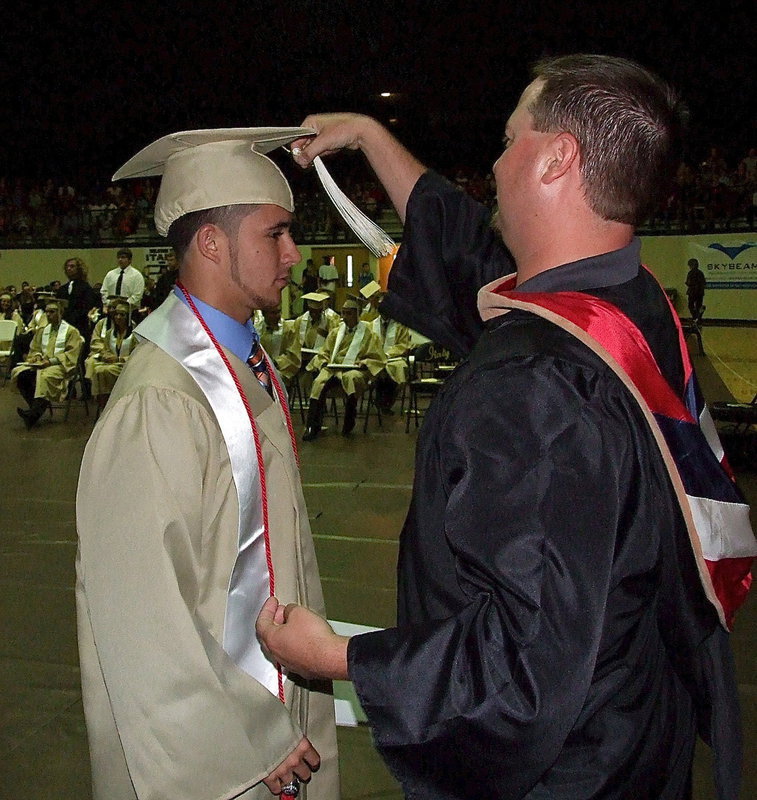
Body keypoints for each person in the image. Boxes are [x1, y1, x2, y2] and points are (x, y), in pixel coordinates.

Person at [258, 55, 756, 799]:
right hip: (639, 718)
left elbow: (522, 663)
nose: (492, 165)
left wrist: (339, 658)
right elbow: (474, 269)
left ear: (556, 157)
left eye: (507, 137)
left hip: (574, 768)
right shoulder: (628, 303)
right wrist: (367, 136)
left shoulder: (536, 387)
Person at [76, 128, 339, 800]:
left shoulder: (245, 364)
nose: (293, 254)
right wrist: (250, 733)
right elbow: (139, 614)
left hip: (276, 713)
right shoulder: (161, 399)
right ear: (213, 244)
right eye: (274, 235)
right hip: (223, 749)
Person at [302, 297, 385, 440]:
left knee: (351, 378)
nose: (345, 317)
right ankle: (312, 426)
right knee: (319, 382)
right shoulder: (335, 332)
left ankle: (349, 421)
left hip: (355, 369)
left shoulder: (368, 334)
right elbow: (324, 352)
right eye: (343, 313)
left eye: (349, 314)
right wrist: (323, 362)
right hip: (333, 367)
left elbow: (378, 357)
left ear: (357, 315)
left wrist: (365, 362)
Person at [12, 298, 82, 428]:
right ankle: (35, 409)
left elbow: (71, 355)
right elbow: (36, 348)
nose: (48, 315)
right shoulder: (43, 330)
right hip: (41, 364)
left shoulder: (71, 332)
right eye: (47, 312)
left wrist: (50, 361)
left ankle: (34, 413)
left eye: (52, 312)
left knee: (45, 376)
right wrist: (36, 357)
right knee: (21, 375)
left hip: (60, 366)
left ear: (60, 313)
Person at [88, 298, 138, 407]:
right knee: (98, 370)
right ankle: (105, 403)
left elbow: (138, 355)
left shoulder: (135, 335)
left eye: (122, 315)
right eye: (116, 315)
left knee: (104, 370)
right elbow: (105, 350)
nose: (118, 317)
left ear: (128, 317)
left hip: (128, 367)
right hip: (112, 365)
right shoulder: (109, 333)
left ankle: (112, 401)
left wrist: (119, 359)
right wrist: (107, 356)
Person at [255, 305, 302, 383]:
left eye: (278, 312)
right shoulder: (257, 329)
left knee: (270, 379)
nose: (278, 316)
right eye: (273, 313)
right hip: (261, 366)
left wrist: (276, 363)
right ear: (264, 314)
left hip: (282, 369)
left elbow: (294, 356)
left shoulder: (289, 329)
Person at [56, 256, 99, 339]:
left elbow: (87, 307)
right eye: (67, 267)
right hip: (63, 326)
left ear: (79, 269)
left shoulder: (86, 288)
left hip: (80, 326)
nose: (69, 269)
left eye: (72, 266)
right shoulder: (62, 289)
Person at [99, 247, 145, 313]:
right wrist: (109, 302)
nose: (120, 260)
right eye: (118, 257)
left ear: (130, 260)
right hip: (112, 309)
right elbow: (104, 291)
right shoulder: (110, 274)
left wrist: (123, 304)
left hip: (130, 310)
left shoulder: (137, 276)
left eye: (123, 257)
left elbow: (137, 295)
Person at [685, 257, 706, 322]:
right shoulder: (700, 273)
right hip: (700, 292)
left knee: (690, 305)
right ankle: (698, 318)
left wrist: (687, 283)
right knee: (698, 306)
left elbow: (689, 282)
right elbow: (704, 282)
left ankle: (695, 317)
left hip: (692, 292)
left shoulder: (690, 273)